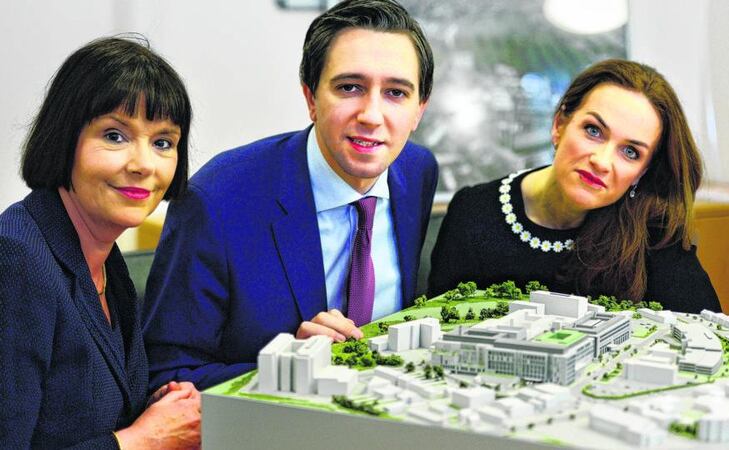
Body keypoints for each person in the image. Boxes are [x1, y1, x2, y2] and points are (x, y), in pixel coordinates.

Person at [142, 0, 438, 391]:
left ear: (419, 110)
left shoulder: (416, 172)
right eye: (350, 87)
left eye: (396, 93)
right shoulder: (217, 201)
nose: (371, 114)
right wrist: (288, 370)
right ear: (311, 98)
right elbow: (166, 373)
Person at [0, 37, 201, 448]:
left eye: (163, 142)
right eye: (114, 135)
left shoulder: (105, 256)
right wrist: (139, 441)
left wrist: (153, 410)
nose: (143, 164)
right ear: (64, 138)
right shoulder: (16, 260)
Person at [429, 59, 721, 314]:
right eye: (593, 131)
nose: (602, 162)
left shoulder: (652, 231)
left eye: (630, 152)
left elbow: (708, 334)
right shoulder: (474, 211)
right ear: (559, 125)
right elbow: (439, 329)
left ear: (641, 172)